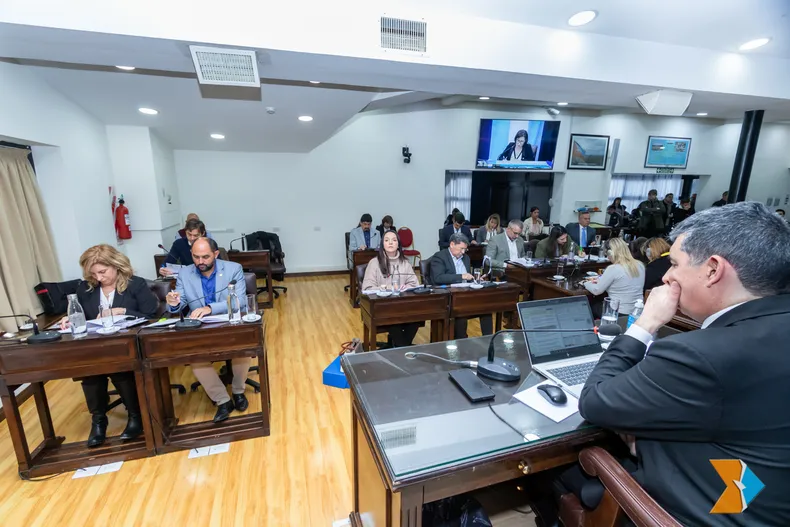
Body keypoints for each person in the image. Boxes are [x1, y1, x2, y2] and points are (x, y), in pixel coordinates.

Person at [573, 202, 790, 526]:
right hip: (767, 498)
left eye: (674, 264)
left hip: (720, 510)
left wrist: (645, 324)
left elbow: (594, 401)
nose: (666, 276)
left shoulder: (701, 354)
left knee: (566, 475)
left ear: (713, 270)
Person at [59, 245, 158, 447]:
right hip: (95, 347)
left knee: (120, 370)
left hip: (127, 346)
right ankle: (98, 421)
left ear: (116, 265)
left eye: (102, 272)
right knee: (90, 374)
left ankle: (135, 416)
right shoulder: (86, 288)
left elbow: (151, 316)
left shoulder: (135, 284)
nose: (99, 278)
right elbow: (82, 316)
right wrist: (69, 319)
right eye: (94, 273)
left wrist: (122, 311)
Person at [166, 237, 250, 423]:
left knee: (243, 351)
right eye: (196, 257)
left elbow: (240, 301)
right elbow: (180, 303)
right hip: (200, 327)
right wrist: (174, 303)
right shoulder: (185, 273)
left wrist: (210, 308)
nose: (200, 262)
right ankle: (223, 400)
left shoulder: (233, 269)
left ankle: (238, 391)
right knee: (195, 357)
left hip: (228, 323)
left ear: (216, 254)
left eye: (205, 257)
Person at [361, 231, 420, 348]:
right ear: (382, 244)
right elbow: (367, 288)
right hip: (382, 307)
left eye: (394, 240)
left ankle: (399, 347)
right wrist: (388, 288)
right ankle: (402, 348)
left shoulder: (405, 263)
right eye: (387, 240)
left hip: (403, 305)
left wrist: (407, 287)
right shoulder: (374, 263)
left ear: (398, 244)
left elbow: (414, 283)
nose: (390, 243)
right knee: (393, 318)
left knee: (417, 317)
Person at [430, 233, 493, 339]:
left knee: (486, 309)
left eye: (465, 249)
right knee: (461, 313)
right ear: (452, 244)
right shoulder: (439, 257)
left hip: (466, 294)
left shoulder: (466, 258)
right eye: (461, 249)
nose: (463, 252)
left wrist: (476, 279)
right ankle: (461, 341)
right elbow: (438, 278)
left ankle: (489, 340)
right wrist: (461, 276)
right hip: (450, 296)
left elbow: (468, 277)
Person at [583, 237, 645, 316]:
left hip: (617, 312)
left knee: (589, 304)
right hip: (637, 312)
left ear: (610, 253)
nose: (607, 257)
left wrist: (585, 283)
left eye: (606, 254)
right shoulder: (640, 265)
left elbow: (596, 290)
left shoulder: (613, 268)